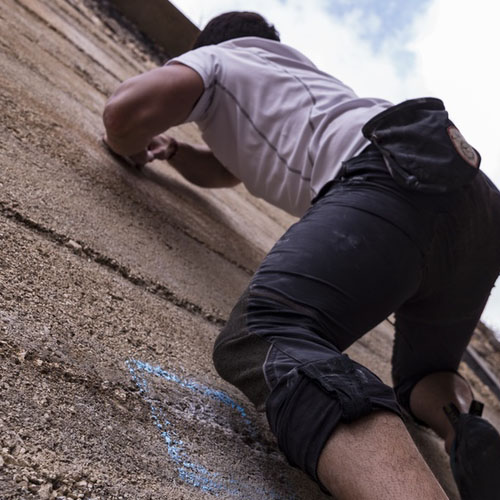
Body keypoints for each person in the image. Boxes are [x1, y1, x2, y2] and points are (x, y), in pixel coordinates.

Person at [102, 11, 500, 499]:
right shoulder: (296, 78)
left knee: (264, 333)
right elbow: (227, 172)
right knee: (425, 378)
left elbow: (124, 113)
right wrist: (172, 150)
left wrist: (127, 143)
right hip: (473, 197)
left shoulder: (219, 57)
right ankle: (464, 428)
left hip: (388, 177)